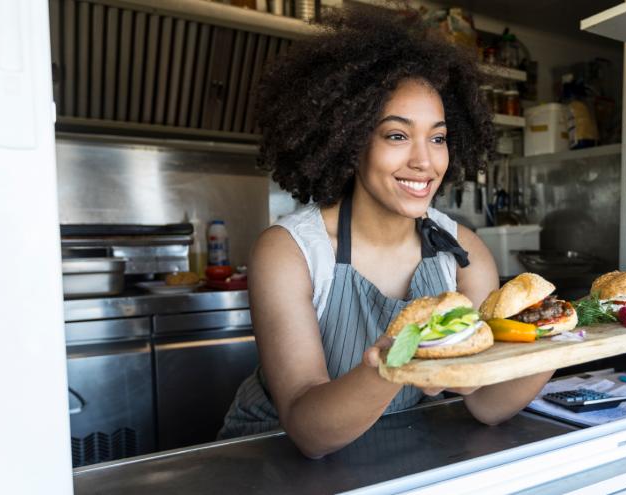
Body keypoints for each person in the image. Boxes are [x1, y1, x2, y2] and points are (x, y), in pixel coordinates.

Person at [219, 6, 552, 458]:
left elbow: (486, 403)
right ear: (350, 140)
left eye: (437, 138)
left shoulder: (463, 253)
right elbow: (308, 431)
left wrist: (554, 343)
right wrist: (395, 361)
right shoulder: (290, 251)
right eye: (397, 136)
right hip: (269, 460)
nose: (425, 161)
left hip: (391, 454)